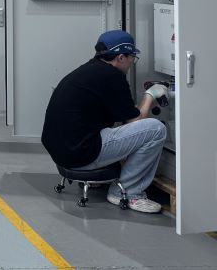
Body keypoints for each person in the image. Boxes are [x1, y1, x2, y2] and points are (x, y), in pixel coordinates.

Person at [41, 30, 168, 213]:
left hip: (61, 153)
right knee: (156, 129)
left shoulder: (89, 71)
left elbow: (121, 113)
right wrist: (150, 95)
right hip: (80, 154)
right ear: (121, 57)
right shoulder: (113, 77)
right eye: (132, 57)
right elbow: (137, 119)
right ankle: (128, 192)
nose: (132, 63)